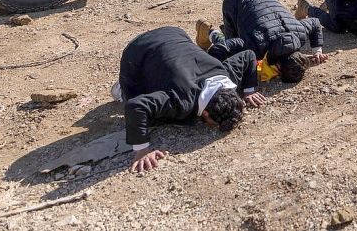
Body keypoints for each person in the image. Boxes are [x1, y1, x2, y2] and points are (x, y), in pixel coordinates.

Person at [112, 27, 262, 172]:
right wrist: (142, 150)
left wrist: (249, 91)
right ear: (206, 114)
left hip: (173, 33)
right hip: (137, 51)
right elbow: (136, 106)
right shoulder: (182, 100)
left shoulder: (226, 75)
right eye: (212, 124)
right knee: (149, 114)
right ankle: (120, 90)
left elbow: (248, 55)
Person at [195, 0, 327, 84]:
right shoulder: (254, 44)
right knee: (234, 55)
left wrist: (317, 51)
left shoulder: (300, 34)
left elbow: (315, 22)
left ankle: (222, 30)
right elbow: (220, 49)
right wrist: (213, 72)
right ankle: (210, 32)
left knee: (238, 42)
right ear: (278, 67)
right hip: (235, 1)